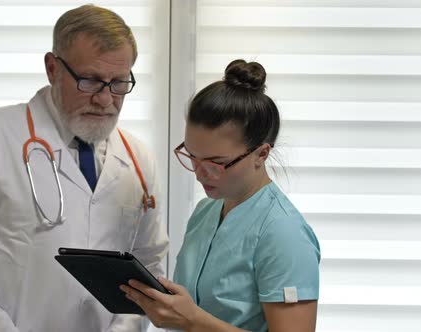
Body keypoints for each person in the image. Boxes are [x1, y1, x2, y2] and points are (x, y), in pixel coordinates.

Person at [0, 4, 168, 332]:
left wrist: (124, 328)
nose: (106, 99)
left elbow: (149, 262)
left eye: (119, 82)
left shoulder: (138, 158)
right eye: (90, 81)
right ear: (53, 68)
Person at [121, 59, 320, 332]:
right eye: (192, 156)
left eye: (216, 163)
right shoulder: (206, 211)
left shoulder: (284, 234)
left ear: (261, 154)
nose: (200, 174)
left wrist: (193, 322)